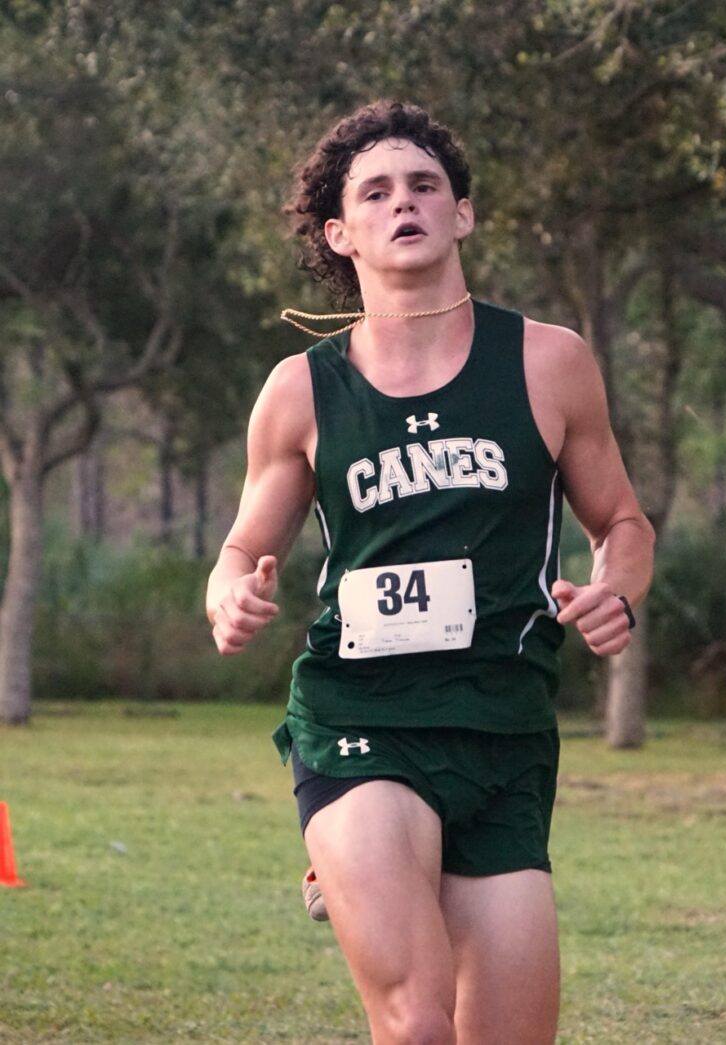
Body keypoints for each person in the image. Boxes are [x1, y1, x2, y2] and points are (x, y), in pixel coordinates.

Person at [206, 100, 654, 1045]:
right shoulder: (302, 389)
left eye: (425, 185)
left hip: (503, 728)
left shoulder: (548, 362)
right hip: (360, 717)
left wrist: (617, 587)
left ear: (463, 214)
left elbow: (621, 521)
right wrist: (233, 593)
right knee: (416, 1026)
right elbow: (242, 549)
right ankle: (361, 853)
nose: (403, 201)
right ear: (340, 232)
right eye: (376, 191)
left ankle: (377, 872)